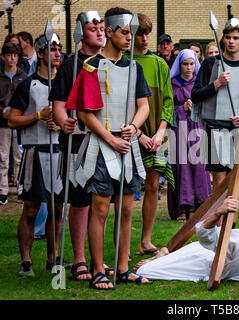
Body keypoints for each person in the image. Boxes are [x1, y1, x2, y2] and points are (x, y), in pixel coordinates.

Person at [66, 7, 152, 289]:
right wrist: (110, 138)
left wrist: (135, 127)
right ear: (111, 31)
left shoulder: (135, 67)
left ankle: (124, 267)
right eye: (125, 32)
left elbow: (144, 106)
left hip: (127, 143)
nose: (130, 38)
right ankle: (98, 269)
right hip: (102, 144)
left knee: (127, 209)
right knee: (100, 209)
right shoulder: (91, 66)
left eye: (132, 33)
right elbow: (85, 113)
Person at [50, 11, 110, 281]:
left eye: (101, 27)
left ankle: (98, 257)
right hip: (77, 140)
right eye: (92, 27)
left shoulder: (110, 62)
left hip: (106, 138)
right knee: (80, 199)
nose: (99, 31)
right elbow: (59, 105)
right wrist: (64, 123)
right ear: (81, 33)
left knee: (101, 200)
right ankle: (79, 259)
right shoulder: (71, 65)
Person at [8, 34, 66, 277]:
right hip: (35, 152)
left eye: (59, 49)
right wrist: (40, 116)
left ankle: (54, 259)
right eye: (52, 49)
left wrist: (61, 124)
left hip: (58, 153)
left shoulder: (65, 86)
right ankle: (26, 261)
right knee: (31, 209)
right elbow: (12, 120)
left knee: (57, 209)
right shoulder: (27, 85)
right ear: (40, 53)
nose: (56, 53)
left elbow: (73, 118)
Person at [191, 18, 239, 197]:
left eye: (235, 37)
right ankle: (218, 224)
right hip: (215, 126)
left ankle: (230, 224)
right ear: (223, 39)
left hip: (238, 128)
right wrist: (216, 84)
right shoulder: (210, 63)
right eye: (228, 37)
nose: (231, 41)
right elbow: (195, 95)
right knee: (219, 181)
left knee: (236, 179)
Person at [132, 12, 175, 255]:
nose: (145, 38)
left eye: (148, 33)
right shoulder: (124, 63)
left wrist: (160, 132)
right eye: (140, 33)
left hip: (157, 135)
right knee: (123, 191)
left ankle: (145, 240)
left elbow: (168, 102)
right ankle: (122, 245)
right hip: (129, 133)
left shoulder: (159, 64)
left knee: (153, 185)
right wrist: (137, 134)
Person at [167, 49, 212, 222]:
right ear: (180, 65)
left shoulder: (199, 83)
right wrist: (181, 109)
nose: (188, 67)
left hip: (197, 128)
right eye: (185, 64)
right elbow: (168, 108)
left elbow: (208, 105)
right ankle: (182, 207)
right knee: (181, 165)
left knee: (198, 165)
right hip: (179, 129)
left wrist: (196, 108)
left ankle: (198, 206)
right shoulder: (172, 84)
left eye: (191, 64)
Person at [0, 42, 27, 205]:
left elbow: (27, 99)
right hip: (2, 123)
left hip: (18, 123)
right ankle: (2, 190)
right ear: (3, 57)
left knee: (20, 157)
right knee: (2, 157)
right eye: (9, 55)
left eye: (15, 55)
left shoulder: (23, 77)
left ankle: (21, 188)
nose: (12, 59)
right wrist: (2, 110)